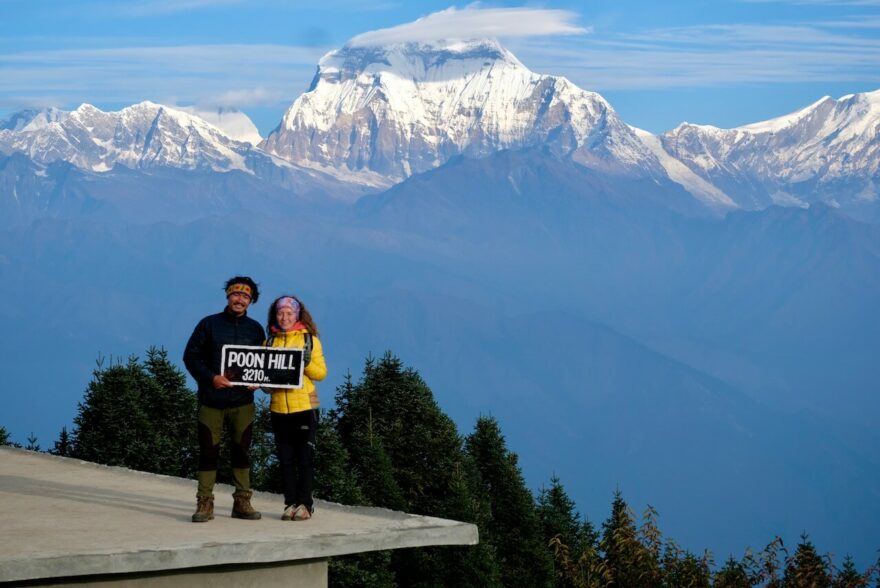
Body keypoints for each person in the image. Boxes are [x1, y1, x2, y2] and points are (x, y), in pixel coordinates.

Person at [183, 276, 266, 523]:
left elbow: (265, 361)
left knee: (242, 451)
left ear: (251, 301)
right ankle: (204, 502)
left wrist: (259, 379)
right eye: (235, 294)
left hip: (243, 402)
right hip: (212, 401)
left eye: (245, 296)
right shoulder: (208, 324)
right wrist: (211, 378)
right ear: (228, 296)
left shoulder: (255, 329)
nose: (239, 299)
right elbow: (191, 357)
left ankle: (242, 501)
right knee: (209, 452)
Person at [265, 295, 327, 521]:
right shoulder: (270, 342)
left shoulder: (309, 341)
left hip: (305, 406)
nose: (284, 317)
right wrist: (261, 384)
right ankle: (290, 502)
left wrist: (306, 361)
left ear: (298, 315)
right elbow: (266, 380)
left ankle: (306, 505)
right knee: (285, 459)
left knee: (304, 458)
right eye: (280, 313)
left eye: (289, 313)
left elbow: (321, 373)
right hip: (279, 408)